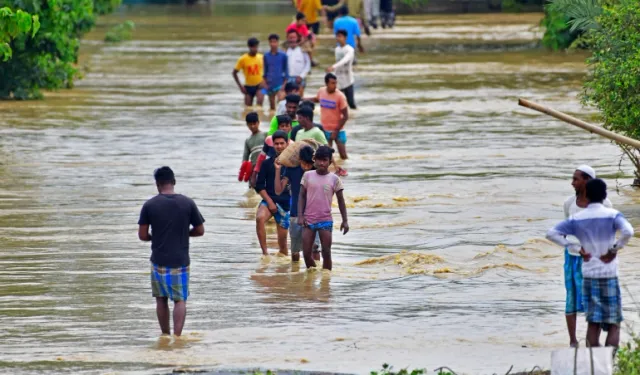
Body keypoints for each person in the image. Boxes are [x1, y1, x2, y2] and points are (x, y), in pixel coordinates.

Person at [546, 178, 633, 349]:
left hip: (589, 274)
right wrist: (614, 249)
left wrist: (575, 247)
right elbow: (628, 231)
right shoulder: (612, 214)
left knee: (593, 323)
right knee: (614, 323)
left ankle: (595, 363)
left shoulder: (578, 218)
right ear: (604, 195)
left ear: (587, 194)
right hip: (608, 274)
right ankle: (609, 363)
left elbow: (551, 233)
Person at [138, 167, 205, 337]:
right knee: (180, 299)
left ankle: (165, 335)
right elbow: (200, 230)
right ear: (173, 182)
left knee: (161, 299)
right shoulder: (187, 203)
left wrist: (156, 237)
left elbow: (143, 235)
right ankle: (177, 336)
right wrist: (184, 233)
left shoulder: (150, 205)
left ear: (157, 184)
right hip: (180, 260)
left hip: (158, 259)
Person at [560, 165, 613, 347]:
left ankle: (593, 342)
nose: (572, 182)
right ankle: (573, 341)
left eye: (576, 179)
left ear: (587, 181)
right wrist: (574, 247)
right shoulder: (569, 203)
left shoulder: (604, 205)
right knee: (571, 298)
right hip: (572, 258)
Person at [298, 146, 349, 270]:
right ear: (314, 160)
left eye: (325, 160)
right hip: (308, 220)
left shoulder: (334, 179)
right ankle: (313, 273)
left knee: (326, 252)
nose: (321, 163)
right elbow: (301, 196)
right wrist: (300, 215)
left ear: (330, 162)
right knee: (306, 253)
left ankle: (326, 281)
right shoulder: (307, 175)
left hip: (325, 221)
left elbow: (341, 201)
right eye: (319, 160)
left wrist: (345, 220)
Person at [275, 146, 316, 262]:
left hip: (314, 215)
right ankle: (295, 273)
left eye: (309, 164)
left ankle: (314, 278)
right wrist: (278, 170)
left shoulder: (317, 171)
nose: (307, 168)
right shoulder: (292, 170)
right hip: (295, 214)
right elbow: (278, 190)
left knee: (316, 249)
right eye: (304, 164)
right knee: (295, 250)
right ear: (300, 161)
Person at [255, 130, 292, 257]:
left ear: (287, 144)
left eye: (282, 143)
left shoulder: (294, 164)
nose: (279, 146)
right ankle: (265, 254)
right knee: (260, 218)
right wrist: (270, 202)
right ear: (273, 145)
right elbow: (259, 186)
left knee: (283, 249)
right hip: (269, 200)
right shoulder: (266, 164)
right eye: (276, 144)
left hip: (286, 205)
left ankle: (283, 271)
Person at [306, 73, 349, 170]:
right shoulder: (321, 91)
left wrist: (336, 131)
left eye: (335, 83)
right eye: (332, 83)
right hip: (324, 130)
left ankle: (345, 171)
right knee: (326, 156)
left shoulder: (340, 96)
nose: (335, 85)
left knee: (343, 156)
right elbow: (317, 99)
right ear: (326, 83)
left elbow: (345, 116)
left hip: (338, 130)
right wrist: (302, 99)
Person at [251, 118, 294, 187]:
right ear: (278, 127)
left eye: (286, 126)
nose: (284, 128)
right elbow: (261, 157)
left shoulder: (293, 145)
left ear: (290, 128)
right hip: (270, 168)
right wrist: (254, 173)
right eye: (282, 126)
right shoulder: (269, 140)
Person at [327, 29, 356, 109]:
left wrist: (333, 66)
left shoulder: (349, 49)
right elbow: (338, 61)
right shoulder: (337, 49)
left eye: (340, 36)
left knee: (351, 103)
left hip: (348, 80)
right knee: (337, 102)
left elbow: (345, 60)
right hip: (338, 80)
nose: (338, 38)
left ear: (345, 37)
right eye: (337, 36)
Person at [233, 38, 265, 107]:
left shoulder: (261, 57)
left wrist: (265, 81)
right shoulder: (243, 59)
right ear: (249, 47)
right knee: (248, 108)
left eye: (256, 47)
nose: (255, 49)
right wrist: (240, 87)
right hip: (248, 87)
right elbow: (234, 73)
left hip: (260, 85)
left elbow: (268, 70)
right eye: (253, 47)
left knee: (260, 105)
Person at [263, 34, 288, 111]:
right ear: (269, 43)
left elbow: (286, 71)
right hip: (270, 84)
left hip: (280, 83)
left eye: (275, 42)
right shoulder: (266, 56)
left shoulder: (283, 56)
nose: (273, 44)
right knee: (272, 107)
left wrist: (284, 85)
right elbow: (265, 71)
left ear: (278, 42)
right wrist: (265, 84)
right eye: (271, 42)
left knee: (281, 103)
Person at [241, 112, 267, 182]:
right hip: (253, 170)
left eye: (254, 123)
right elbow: (245, 158)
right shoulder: (248, 141)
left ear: (258, 123)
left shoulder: (265, 135)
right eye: (250, 124)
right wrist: (244, 171)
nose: (252, 126)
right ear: (247, 125)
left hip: (265, 167)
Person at [286, 30, 311, 98]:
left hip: (299, 78)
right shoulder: (285, 51)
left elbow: (308, 65)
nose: (292, 40)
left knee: (299, 98)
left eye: (294, 37)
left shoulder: (303, 50)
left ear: (297, 38)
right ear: (287, 38)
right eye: (290, 38)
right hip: (287, 78)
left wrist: (301, 76)